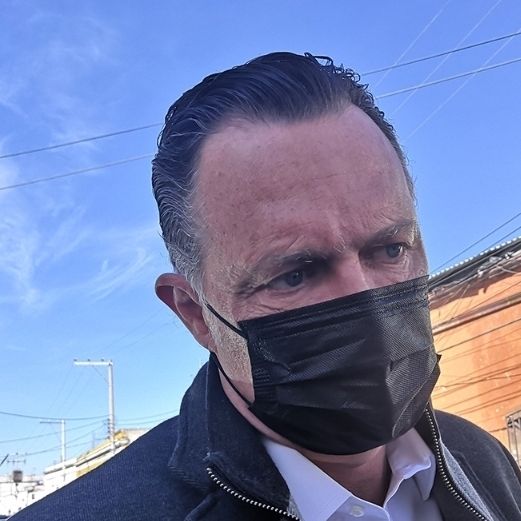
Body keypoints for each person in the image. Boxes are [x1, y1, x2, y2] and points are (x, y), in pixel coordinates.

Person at [12, 52, 521, 521]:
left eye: (390, 250)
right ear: (195, 314)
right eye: (294, 275)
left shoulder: (483, 462)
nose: (365, 302)